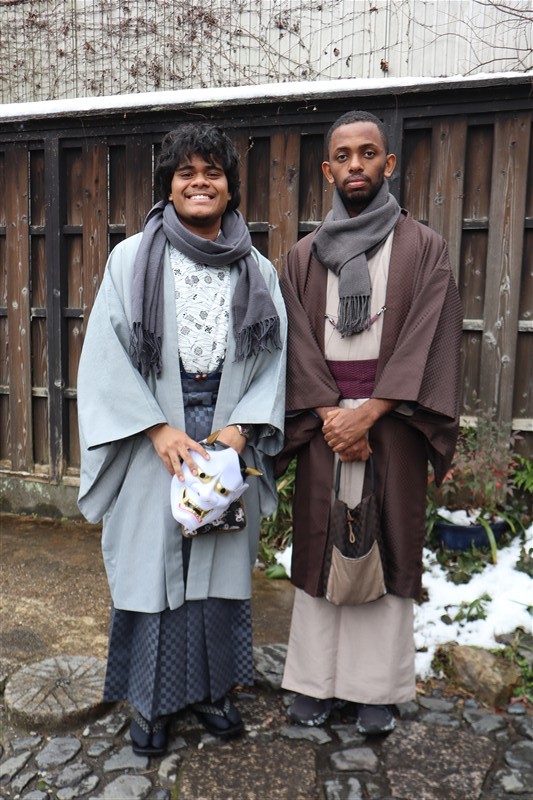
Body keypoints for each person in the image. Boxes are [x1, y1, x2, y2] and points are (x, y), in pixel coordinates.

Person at [77, 122, 287, 755]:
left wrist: (241, 430)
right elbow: (105, 357)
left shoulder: (257, 269)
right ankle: (151, 704)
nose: (200, 183)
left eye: (212, 173)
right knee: (154, 570)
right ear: (168, 186)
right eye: (185, 173)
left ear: (230, 187)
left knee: (219, 569)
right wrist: (156, 427)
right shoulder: (130, 260)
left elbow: (276, 359)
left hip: (226, 436)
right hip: (154, 437)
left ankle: (213, 693)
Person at [276, 110, 463, 735]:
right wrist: (330, 414)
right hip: (325, 424)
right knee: (320, 543)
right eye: (343, 156)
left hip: (395, 423)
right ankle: (315, 682)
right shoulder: (301, 257)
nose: (356, 164)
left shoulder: (424, 248)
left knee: (388, 544)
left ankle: (375, 690)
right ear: (327, 170)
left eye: (368, 153)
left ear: (389, 163)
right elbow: (295, 344)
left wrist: (372, 414)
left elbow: (428, 339)